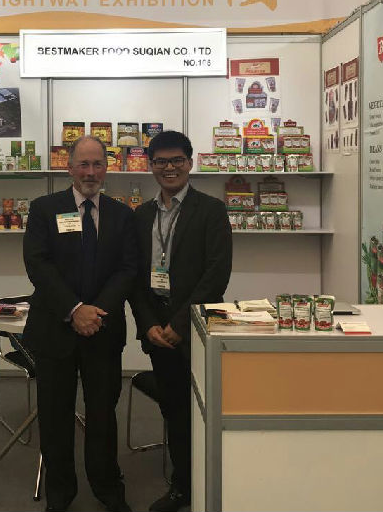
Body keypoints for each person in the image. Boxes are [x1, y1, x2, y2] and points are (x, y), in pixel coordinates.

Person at [23, 135, 137, 512]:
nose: (90, 172)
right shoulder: (44, 209)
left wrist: (95, 311)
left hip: (103, 330)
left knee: (102, 414)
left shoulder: (123, 215)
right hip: (55, 329)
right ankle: (60, 492)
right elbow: (38, 264)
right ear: (69, 167)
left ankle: (107, 487)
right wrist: (74, 309)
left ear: (107, 169)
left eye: (97, 164)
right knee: (55, 416)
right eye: (83, 164)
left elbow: (127, 269)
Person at [130, 130, 232, 512]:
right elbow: (134, 277)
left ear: (189, 163)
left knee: (202, 408)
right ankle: (183, 485)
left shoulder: (211, 210)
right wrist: (148, 324)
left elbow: (216, 275)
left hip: (196, 327)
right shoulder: (141, 215)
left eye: (176, 160)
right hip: (157, 329)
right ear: (151, 166)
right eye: (161, 161)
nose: (169, 168)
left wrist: (180, 322)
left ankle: (208, 477)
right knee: (173, 408)